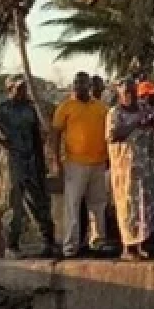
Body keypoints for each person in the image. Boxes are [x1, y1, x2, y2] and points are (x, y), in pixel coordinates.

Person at [0, 75, 58, 260]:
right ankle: (12, 245)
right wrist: (0, 140)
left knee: (39, 201)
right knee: (15, 203)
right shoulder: (3, 108)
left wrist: (42, 160)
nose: (22, 91)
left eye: (24, 88)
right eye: (18, 88)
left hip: (32, 159)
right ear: (10, 89)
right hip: (13, 160)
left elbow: (36, 134)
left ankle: (48, 242)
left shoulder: (30, 107)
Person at [106, 78, 154, 260]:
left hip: (148, 168)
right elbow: (112, 135)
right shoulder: (115, 113)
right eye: (126, 92)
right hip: (127, 171)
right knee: (129, 208)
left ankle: (145, 243)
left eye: (133, 92)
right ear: (119, 94)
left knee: (147, 208)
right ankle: (129, 248)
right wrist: (136, 122)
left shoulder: (144, 108)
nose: (131, 96)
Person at [52, 71, 112, 258]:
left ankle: (98, 242)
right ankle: (70, 246)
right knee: (73, 205)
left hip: (99, 163)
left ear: (89, 86)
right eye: (76, 83)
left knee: (98, 204)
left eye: (82, 84)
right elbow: (56, 134)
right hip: (75, 163)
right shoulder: (66, 107)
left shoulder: (101, 108)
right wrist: (56, 160)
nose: (78, 87)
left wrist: (109, 158)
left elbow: (108, 134)